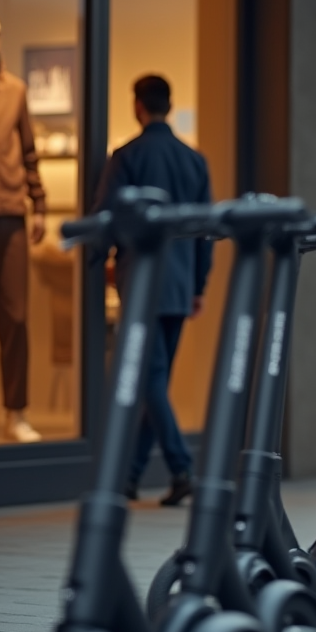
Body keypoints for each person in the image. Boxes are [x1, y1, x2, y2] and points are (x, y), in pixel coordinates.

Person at [94, 75, 213, 505]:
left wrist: (99, 260)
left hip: (141, 285)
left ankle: (182, 469)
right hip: (181, 286)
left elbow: (107, 216)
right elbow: (205, 230)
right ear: (168, 103)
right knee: (154, 380)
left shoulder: (127, 156)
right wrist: (199, 283)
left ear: (138, 105)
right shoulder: (193, 160)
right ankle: (130, 477)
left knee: (150, 380)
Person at [0, 10, 47, 443]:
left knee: (16, 318)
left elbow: (29, 152)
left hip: (9, 216)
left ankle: (16, 411)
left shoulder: (17, 92)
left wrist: (40, 205)